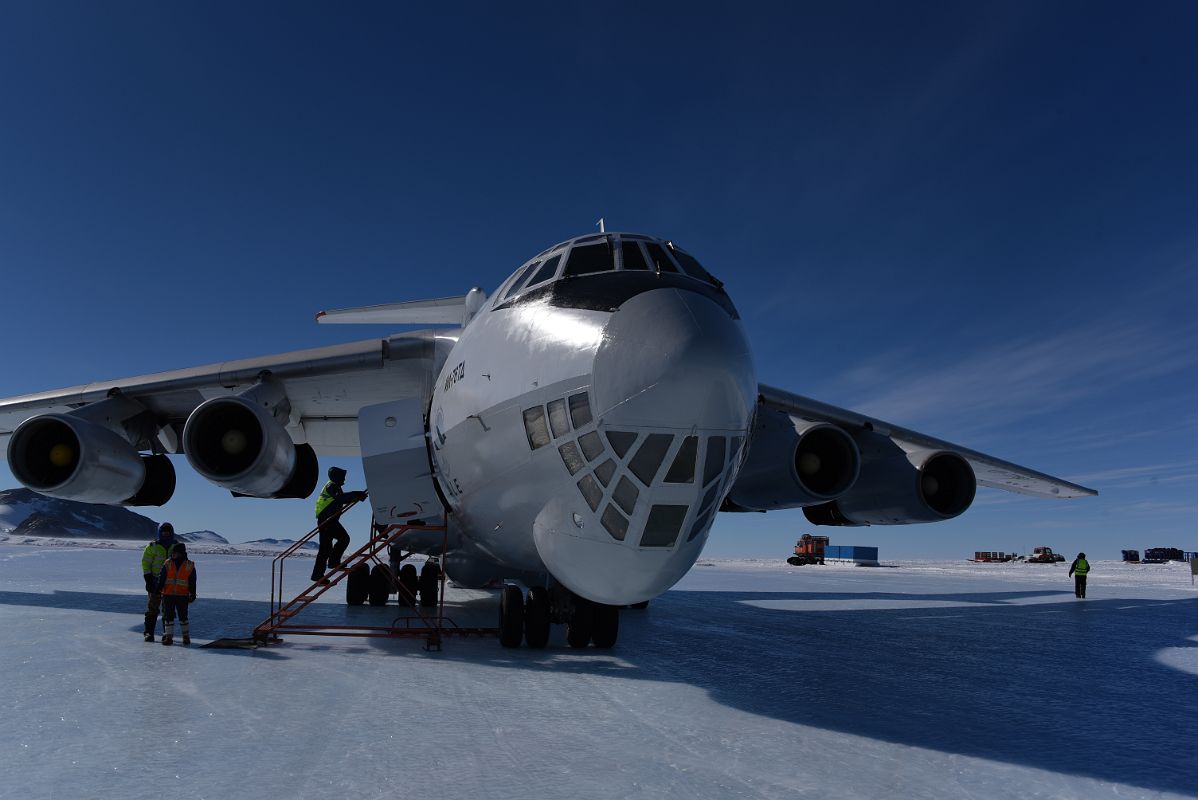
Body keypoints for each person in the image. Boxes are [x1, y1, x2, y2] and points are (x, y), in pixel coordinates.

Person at [311, 466, 367, 583]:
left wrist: (356, 496)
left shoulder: (333, 486)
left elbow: (340, 499)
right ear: (336, 477)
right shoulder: (332, 486)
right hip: (327, 520)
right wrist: (355, 494)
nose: (344, 480)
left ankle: (328, 566)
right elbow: (340, 498)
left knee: (334, 544)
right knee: (334, 543)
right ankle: (326, 569)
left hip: (330, 520)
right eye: (342, 477)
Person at [140, 522, 178, 642]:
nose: (166, 535)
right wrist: (148, 579)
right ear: (159, 533)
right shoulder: (152, 546)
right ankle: (148, 633)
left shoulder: (176, 546)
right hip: (155, 582)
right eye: (163, 532)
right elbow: (146, 563)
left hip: (170, 584)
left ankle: (166, 634)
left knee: (168, 610)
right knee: (153, 608)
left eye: (168, 533)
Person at [157, 542, 197, 645]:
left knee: (183, 617)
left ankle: (186, 637)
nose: (173, 554)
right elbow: (162, 578)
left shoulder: (189, 565)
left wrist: (192, 593)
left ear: (181, 553)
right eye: (173, 553)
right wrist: (158, 588)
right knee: (168, 616)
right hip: (168, 594)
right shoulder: (168, 563)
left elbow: (192, 581)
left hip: (182, 595)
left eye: (175, 553)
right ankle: (168, 638)